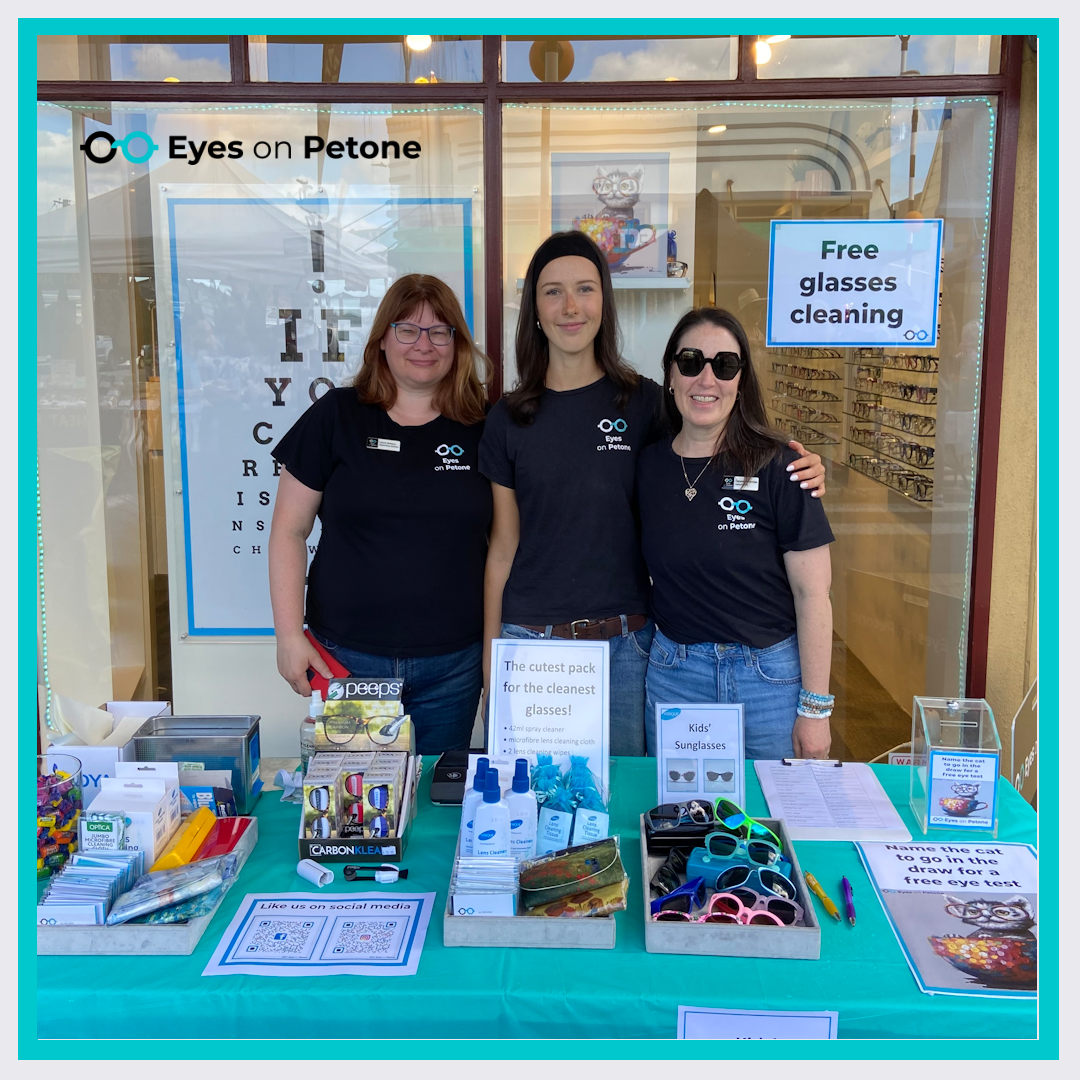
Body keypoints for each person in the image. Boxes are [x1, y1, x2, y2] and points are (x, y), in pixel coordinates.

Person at [479, 231, 827, 756]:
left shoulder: (644, 404)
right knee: (533, 795)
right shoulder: (508, 418)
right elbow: (502, 550)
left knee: (626, 794)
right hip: (532, 645)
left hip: (627, 646)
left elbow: (711, 440)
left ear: (604, 302)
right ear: (534, 309)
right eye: (553, 291)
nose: (570, 306)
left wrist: (796, 466)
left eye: (585, 289)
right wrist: (492, 666)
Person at [268, 274, 492, 756]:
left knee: (432, 794)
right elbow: (289, 529)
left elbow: (507, 544)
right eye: (407, 329)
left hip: (453, 666)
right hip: (347, 660)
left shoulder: (484, 425)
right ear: (382, 340)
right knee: (352, 795)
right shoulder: (337, 415)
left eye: (439, 331)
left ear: (457, 343)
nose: (423, 345)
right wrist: (288, 635)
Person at [637, 306, 835, 760]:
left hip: (769, 682)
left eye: (724, 365)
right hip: (676, 677)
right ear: (670, 374)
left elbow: (812, 594)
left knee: (772, 804)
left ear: (741, 380)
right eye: (691, 362)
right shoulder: (647, 467)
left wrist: (815, 709)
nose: (706, 379)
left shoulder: (782, 466)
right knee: (683, 806)